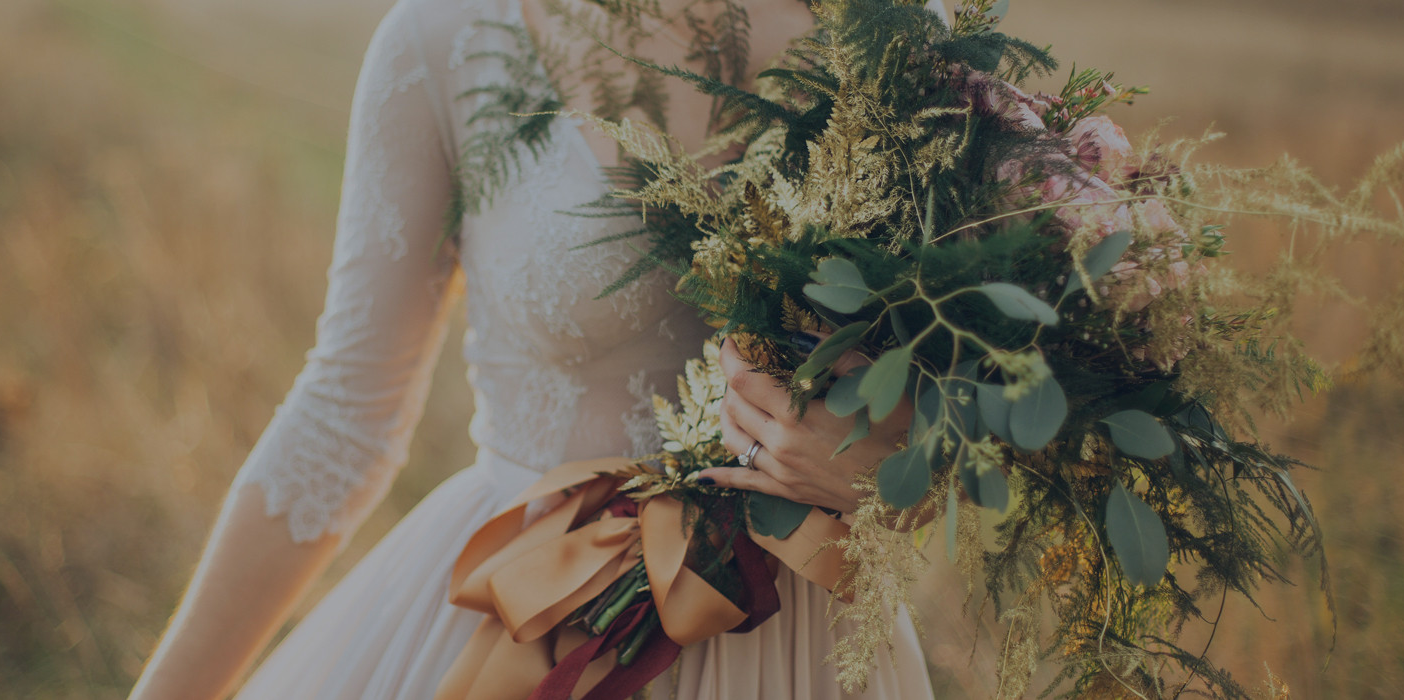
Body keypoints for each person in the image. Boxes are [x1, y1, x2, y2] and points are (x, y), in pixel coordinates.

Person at [129, 0, 943, 697]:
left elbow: (986, 397)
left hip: (807, 650)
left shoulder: (898, 34)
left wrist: (907, 465)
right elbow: (343, 417)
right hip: (527, 613)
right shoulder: (449, 36)